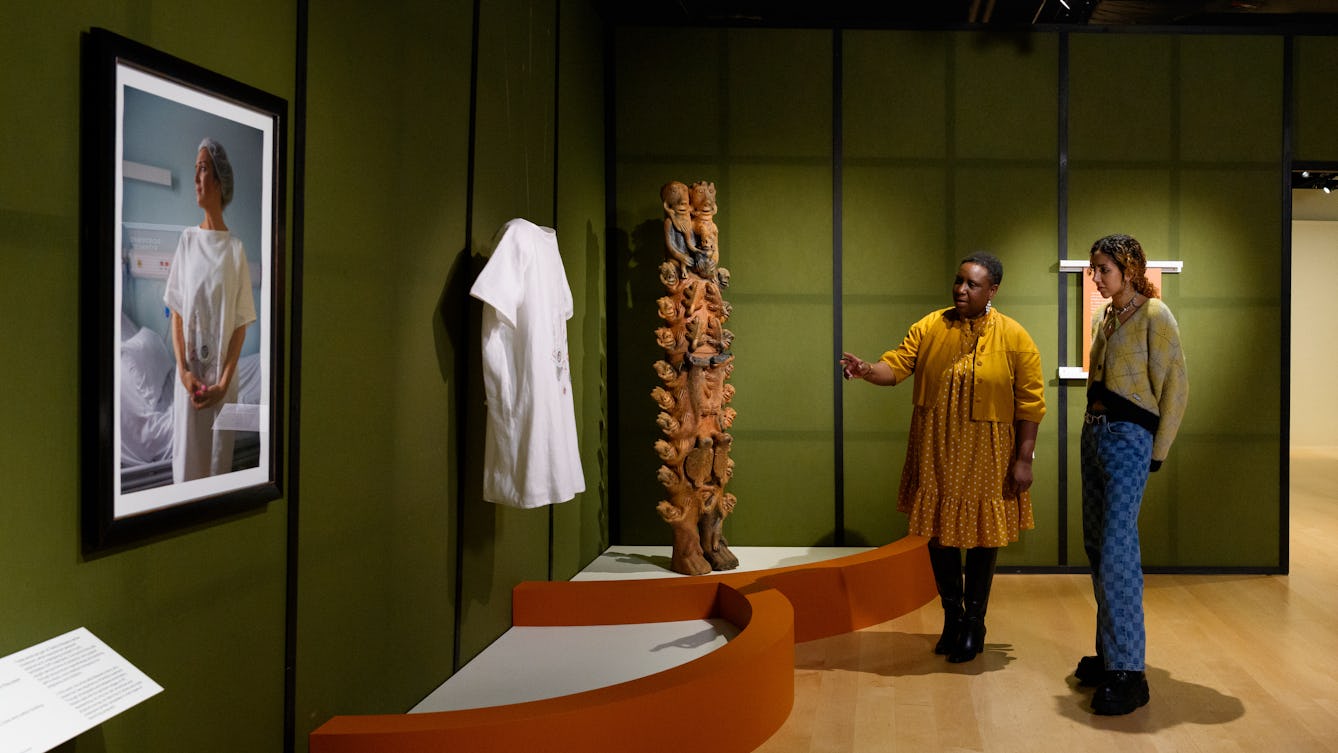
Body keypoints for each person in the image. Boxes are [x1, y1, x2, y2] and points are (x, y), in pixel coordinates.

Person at [840, 252, 1045, 663]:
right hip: (936, 443)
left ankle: (975, 623)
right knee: (937, 533)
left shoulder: (1015, 336)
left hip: (988, 449)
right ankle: (953, 617)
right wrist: (866, 370)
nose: (961, 289)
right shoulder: (931, 325)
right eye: (959, 281)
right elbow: (895, 367)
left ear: (992, 290)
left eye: (972, 284)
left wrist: (1024, 459)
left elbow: (1031, 404)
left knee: (984, 536)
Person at [1076, 234, 1188, 715]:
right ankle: (1109, 655)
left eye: (1103, 269)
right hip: (1096, 433)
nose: (1095, 278)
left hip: (1129, 439)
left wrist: (1156, 452)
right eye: (1093, 269)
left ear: (1129, 268)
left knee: (1119, 550)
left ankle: (1129, 672)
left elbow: (1176, 388)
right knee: (1098, 546)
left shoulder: (1155, 316)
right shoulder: (1108, 316)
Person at [163, 138, 257, 483]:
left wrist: (223, 383)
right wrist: (184, 372)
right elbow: (176, 313)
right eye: (195, 171)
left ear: (219, 181)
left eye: (202, 169)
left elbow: (240, 326)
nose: (196, 179)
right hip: (189, 383)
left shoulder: (235, 251)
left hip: (222, 388)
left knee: (217, 476)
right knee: (187, 473)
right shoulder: (187, 241)